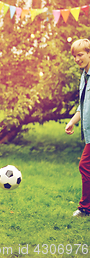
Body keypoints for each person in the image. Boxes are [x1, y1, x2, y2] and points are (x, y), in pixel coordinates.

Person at [65, 38, 90, 217]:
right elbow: (83, 106)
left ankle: (85, 208)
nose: (77, 59)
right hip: (88, 132)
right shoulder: (84, 77)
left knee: (85, 165)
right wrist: (72, 121)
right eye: (74, 56)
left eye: (80, 55)